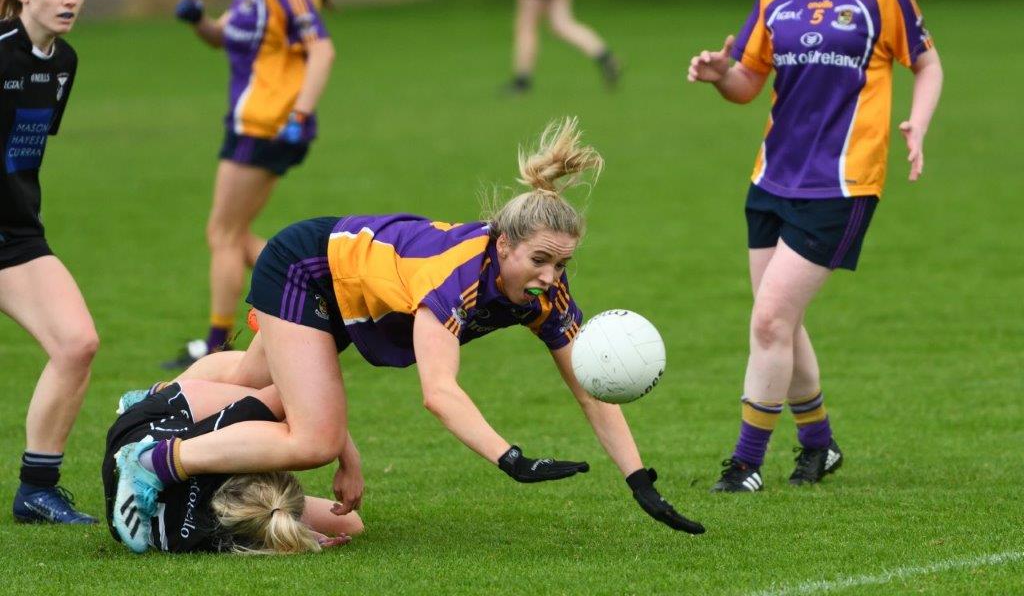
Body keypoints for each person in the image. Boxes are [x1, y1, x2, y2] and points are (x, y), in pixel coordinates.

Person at [114, 118, 705, 543]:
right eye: (540, 261)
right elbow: (439, 391)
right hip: (306, 269)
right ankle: (157, 461)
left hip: (347, 288)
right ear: (503, 245)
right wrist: (511, 459)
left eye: (562, 265)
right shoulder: (455, 281)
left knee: (253, 384)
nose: (551, 278)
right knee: (315, 438)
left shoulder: (541, 293)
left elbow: (587, 384)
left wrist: (639, 479)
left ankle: (162, 405)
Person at [686, 0, 942, 492]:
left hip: (843, 186)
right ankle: (819, 446)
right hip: (772, 180)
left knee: (771, 319)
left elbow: (926, 63)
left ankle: (747, 463)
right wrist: (718, 75)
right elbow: (748, 81)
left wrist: (917, 127)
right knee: (780, 321)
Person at [163, 0, 336, 368]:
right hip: (251, 123)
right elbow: (222, 38)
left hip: (269, 124)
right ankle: (323, 293)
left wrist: (300, 114)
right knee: (232, 235)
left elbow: (322, 49)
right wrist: (198, 20)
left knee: (222, 234)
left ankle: (217, 343)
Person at [0, 0, 98, 524]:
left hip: (16, 235)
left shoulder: (64, 62)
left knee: (76, 343)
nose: (70, 0)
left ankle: (36, 490)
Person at [104, 377, 363, 553]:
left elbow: (294, 388)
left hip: (140, 426)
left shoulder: (222, 449)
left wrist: (349, 461)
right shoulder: (216, 538)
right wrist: (296, 536)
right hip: (116, 492)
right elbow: (350, 522)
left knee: (251, 373)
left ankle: (151, 415)